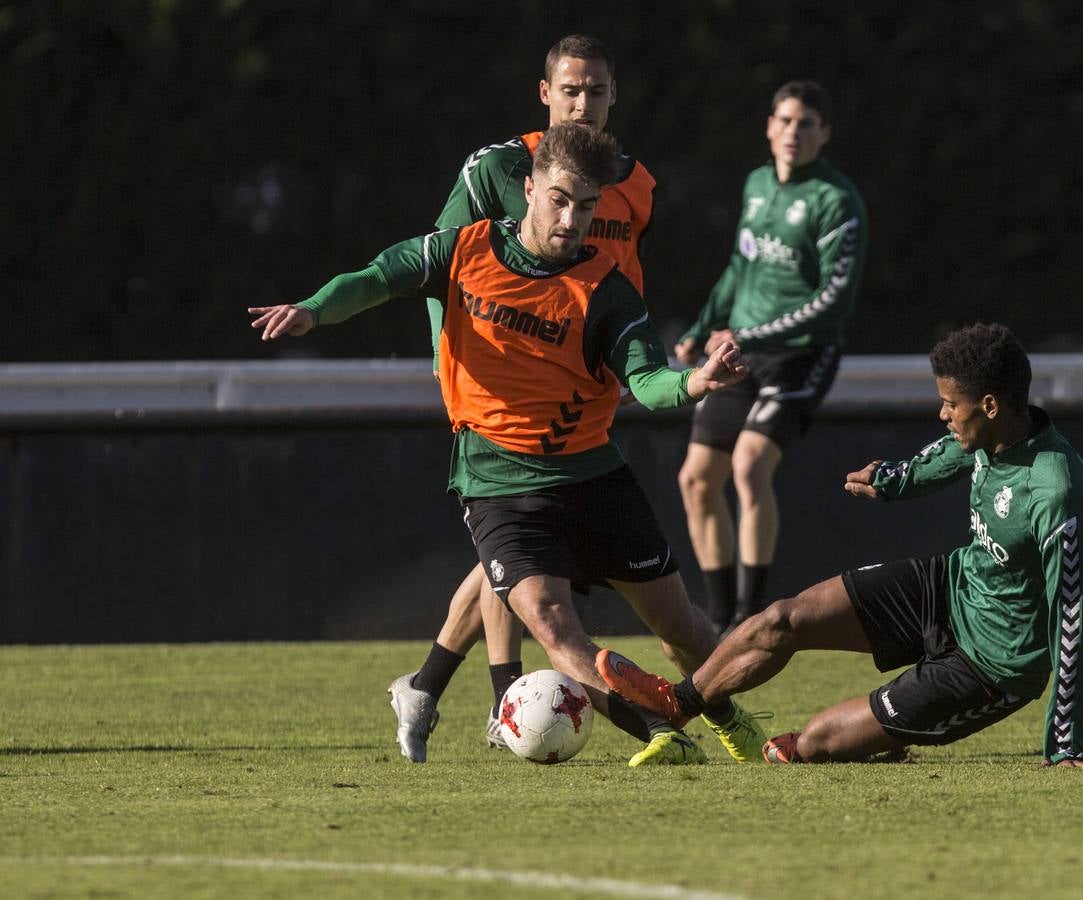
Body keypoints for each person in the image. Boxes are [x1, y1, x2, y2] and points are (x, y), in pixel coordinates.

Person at [249, 123, 768, 767]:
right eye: (559, 199)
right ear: (528, 189)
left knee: (682, 630)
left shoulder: (606, 290)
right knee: (554, 625)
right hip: (498, 482)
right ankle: (662, 735)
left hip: (592, 476)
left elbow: (649, 382)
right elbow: (378, 275)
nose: (571, 218)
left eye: (586, 206)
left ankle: (730, 716)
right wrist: (315, 309)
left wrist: (697, 381)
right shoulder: (462, 249)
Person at [598, 323, 1083, 767]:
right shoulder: (990, 437)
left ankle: (861, 739)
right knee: (783, 618)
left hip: (994, 665)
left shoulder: (1054, 492)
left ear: (990, 406)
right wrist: (891, 480)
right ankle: (678, 704)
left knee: (812, 744)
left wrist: (1065, 745)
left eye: (950, 403)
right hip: (950, 588)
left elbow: (1072, 625)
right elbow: (947, 456)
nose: (942, 414)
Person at [405, 33, 659, 760]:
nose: (584, 104)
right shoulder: (498, 168)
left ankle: (428, 684)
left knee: (513, 551)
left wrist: (636, 357)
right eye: (571, 90)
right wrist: (444, 363)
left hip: (586, 386)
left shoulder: (634, 181)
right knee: (516, 545)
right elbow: (441, 265)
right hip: (499, 386)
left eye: (598, 92)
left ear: (615, 97)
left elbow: (624, 279)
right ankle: (501, 695)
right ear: (544, 94)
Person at [675, 79, 868, 634]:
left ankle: (749, 613)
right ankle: (717, 619)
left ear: (824, 133)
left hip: (800, 356)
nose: (793, 132)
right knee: (696, 479)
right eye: (784, 121)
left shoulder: (838, 201)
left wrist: (749, 335)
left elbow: (832, 301)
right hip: (742, 348)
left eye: (806, 123)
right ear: (768, 126)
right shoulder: (758, 184)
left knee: (749, 464)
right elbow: (741, 268)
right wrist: (701, 328)